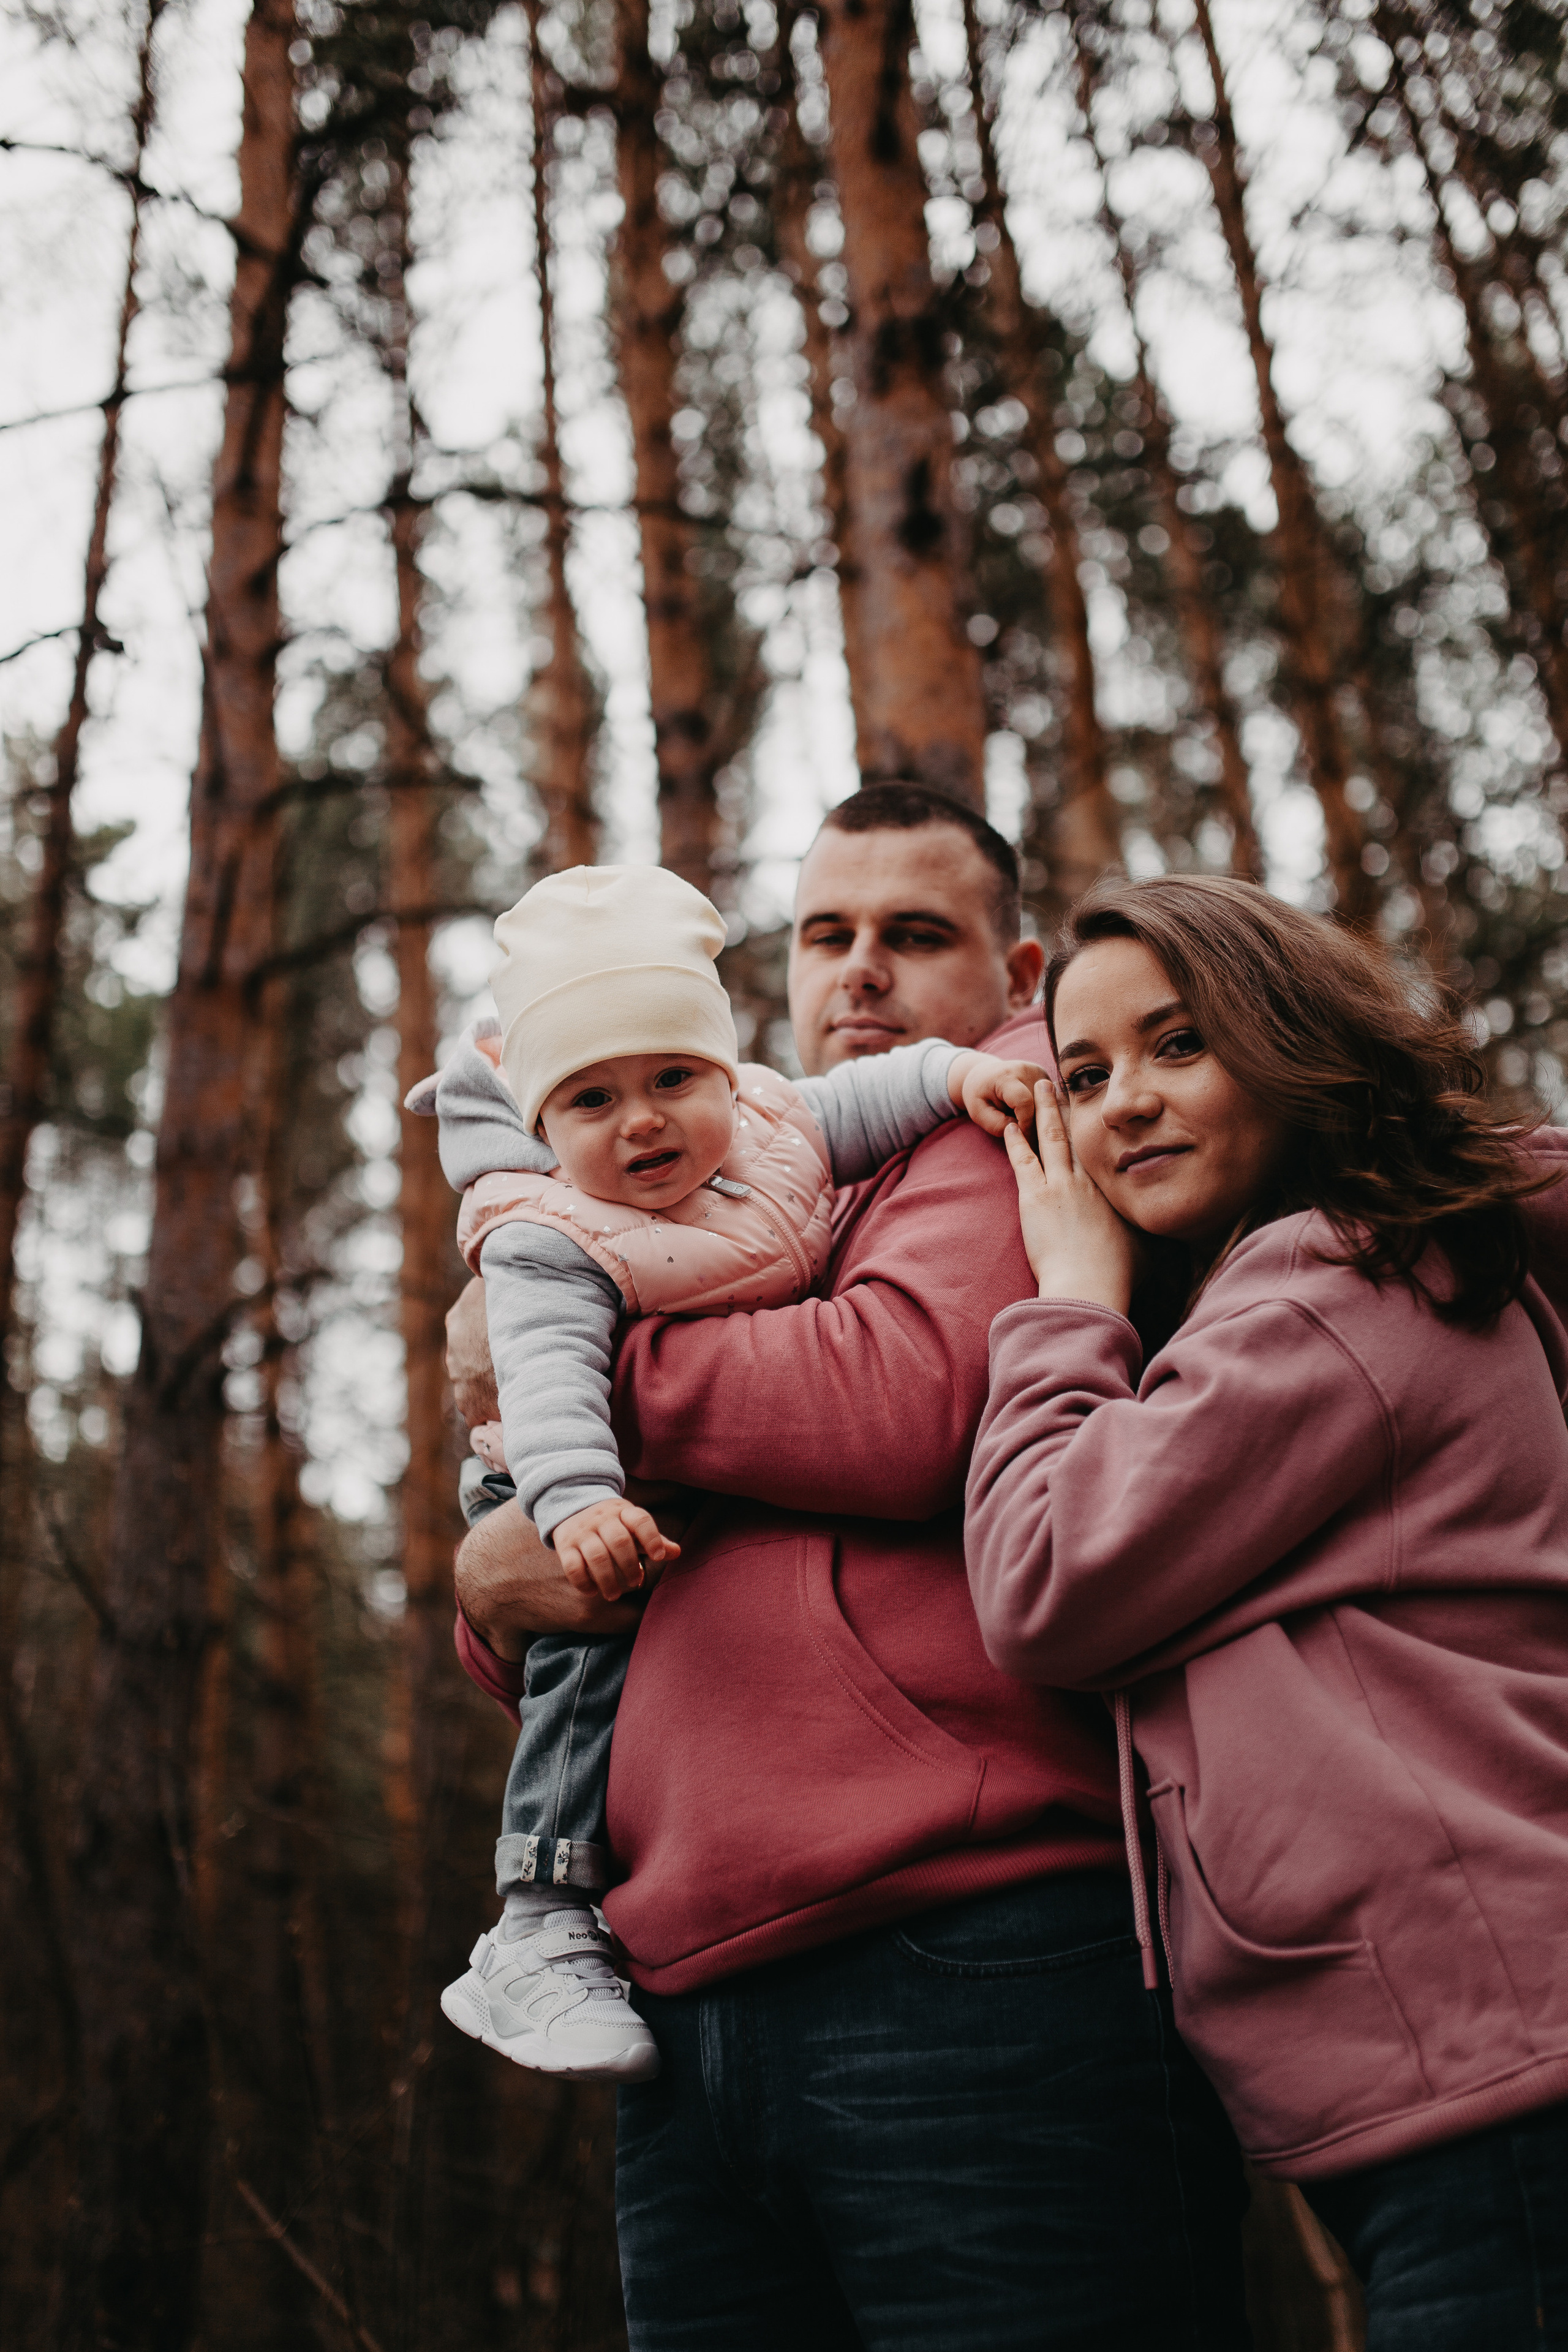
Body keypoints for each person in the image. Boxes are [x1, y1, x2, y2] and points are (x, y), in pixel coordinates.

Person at [449, 788, 1251, 2351]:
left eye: (914, 934)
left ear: (1016, 975)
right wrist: (500, 1577)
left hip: (974, 1954)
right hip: (677, 1999)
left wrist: (558, 1374)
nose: (861, 974)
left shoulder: (1012, 1117)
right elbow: (553, 1609)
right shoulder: (709, 1167)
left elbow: (901, 1402)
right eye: (827, 934)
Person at [965, 872, 1568, 2350]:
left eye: (1179, 1046)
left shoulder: (1330, 1281)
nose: (1122, 1106)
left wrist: (1064, 1304)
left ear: (1290, 1042)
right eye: (1085, 1074)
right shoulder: (1324, 1279)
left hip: (1501, 2061)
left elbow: (1043, 1580)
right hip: (1459, 2064)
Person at [409, 860, 1044, 2082]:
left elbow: (879, 1093)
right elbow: (536, 1381)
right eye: (590, 1100)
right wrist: (575, 1499)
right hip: (553, 1470)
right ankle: (537, 1917)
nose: (641, 1122)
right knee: (587, 1652)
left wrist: (966, 1076)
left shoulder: (773, 1125)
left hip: (908, 1905)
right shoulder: (550, 1233)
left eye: (669, 1080)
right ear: (542, 1123)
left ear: (719, 1070)